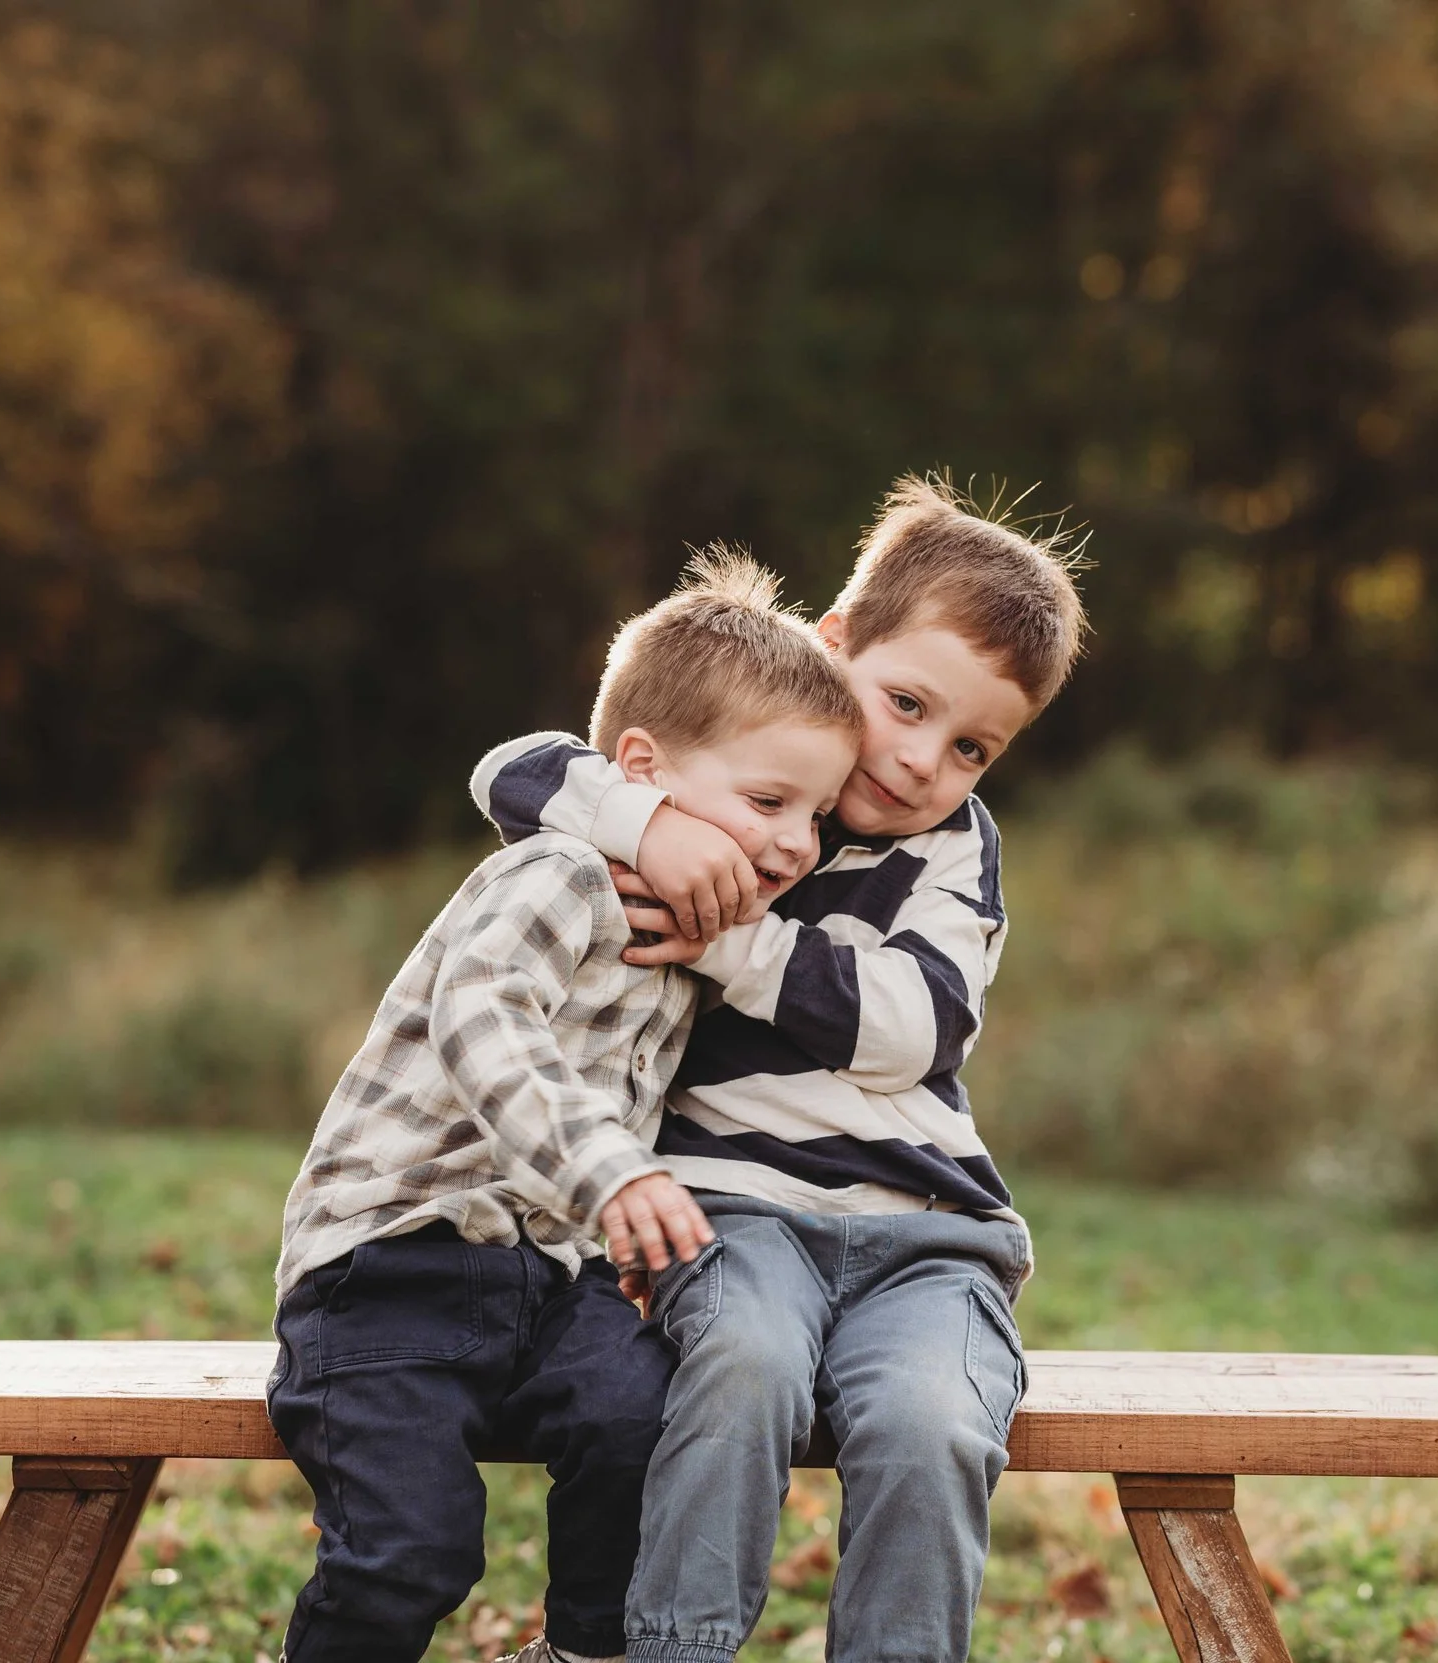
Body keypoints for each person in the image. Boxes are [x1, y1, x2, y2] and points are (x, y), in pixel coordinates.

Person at [470, 476, 1088, 1663]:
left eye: (971, 746)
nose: (919, 761)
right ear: (832, 643)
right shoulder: (731, 772)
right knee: (740, 1369)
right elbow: (514, 771)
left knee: (929, 1425)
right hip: (734, 1213)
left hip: (930, 1238)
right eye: (903, 703)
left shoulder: (954, 853)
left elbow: (914, 1024)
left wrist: (729, 938)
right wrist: (650, 826)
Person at [269, 552, 863, 1663]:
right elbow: (485, 1021)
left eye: (818, 812)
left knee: (641, 1421)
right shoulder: (558, 877)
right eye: (770, 799)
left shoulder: (701, 937)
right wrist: (616, 1176)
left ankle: (581, 1651)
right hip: (391, 1266)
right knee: (411, 1550)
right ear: (638, 772)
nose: (796, 841)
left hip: (549, 1280)